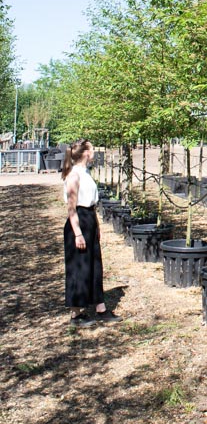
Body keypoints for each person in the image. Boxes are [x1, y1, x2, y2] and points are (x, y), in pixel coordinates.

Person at [62, 138, 120, 325]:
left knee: (95, 265)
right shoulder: (74, 176)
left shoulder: (86, 173)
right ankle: (76, 313)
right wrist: (78, 233)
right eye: (92, 149)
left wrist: (96, 226)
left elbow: (92, 205)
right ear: (86, 153)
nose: (95, 152)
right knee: (79, 267)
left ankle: (100, 308)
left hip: (89, 220)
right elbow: (72, 208)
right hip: (78, 222)